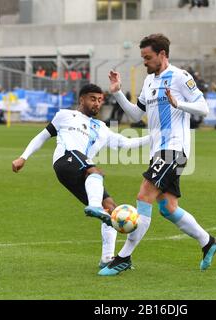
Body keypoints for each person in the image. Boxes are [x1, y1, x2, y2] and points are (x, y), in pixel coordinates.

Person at [103, 33, 216, 276]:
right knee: (168, 207)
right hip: (159, 150)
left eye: (148, 58)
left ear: (162, 55)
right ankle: (208, 241)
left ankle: (123, 257)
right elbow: (137, 116)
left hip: (174, 149)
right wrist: (117, 93)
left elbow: (204, 108)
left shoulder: (180, 77)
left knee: (143, 195)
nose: (144, 62)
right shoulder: (148, 82)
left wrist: (179, 104)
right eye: (143, 58)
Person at [11, 84, 149, 268]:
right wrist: (23, 157)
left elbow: (127, 143)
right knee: (95, 171)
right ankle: (93, 206)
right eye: (93, 99)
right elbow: (42, 136)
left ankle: (106, 258)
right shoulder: (64, 115)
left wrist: (154, 137)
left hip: (83, 171)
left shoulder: (102, 128)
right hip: (65, 160)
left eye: (100, 100)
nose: (97, 103)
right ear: (81, 99)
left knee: (111, 210)